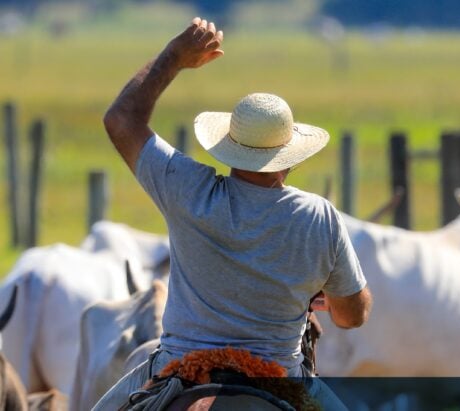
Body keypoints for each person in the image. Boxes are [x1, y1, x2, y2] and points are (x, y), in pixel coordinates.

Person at [93, 17, 372, 410]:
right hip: (280, 378)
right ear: (289, 155)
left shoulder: (186, 188)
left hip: (180, 368)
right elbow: (352, 315)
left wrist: (174, 57)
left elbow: (121, 119)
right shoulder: (317, 216)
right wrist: (319, 291)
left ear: (229, 146)